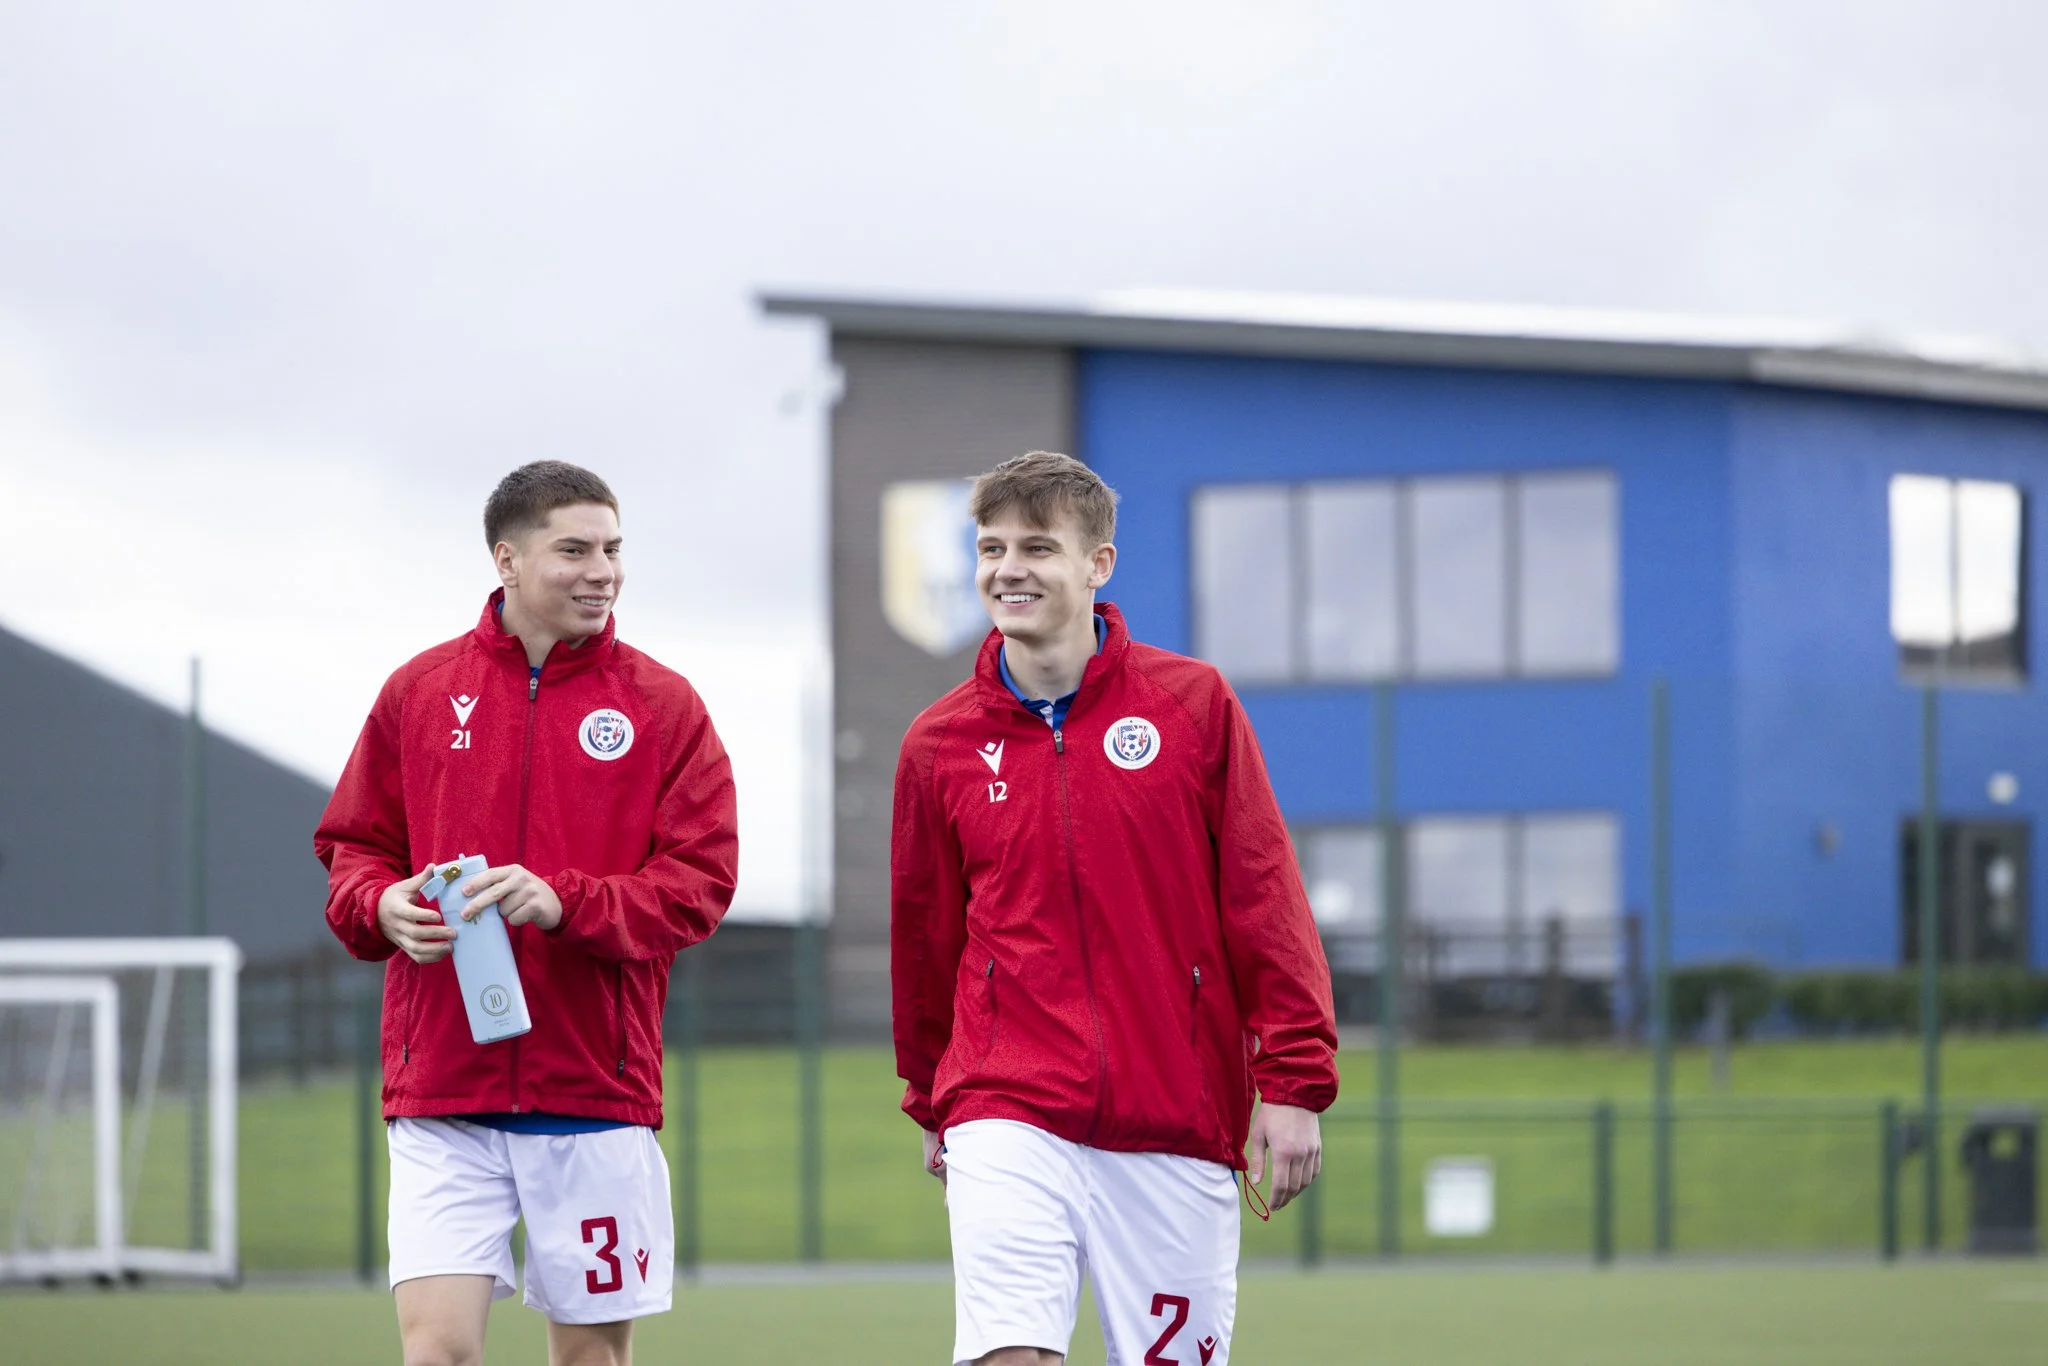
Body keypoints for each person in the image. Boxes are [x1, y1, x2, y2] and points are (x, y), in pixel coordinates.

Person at [891, 450, 1339, 1366]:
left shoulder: (1194, 706)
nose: (1008, 569)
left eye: (1037, 547)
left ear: (1097, 565)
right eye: (991, 548)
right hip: (1004, 1100)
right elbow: (925, 939)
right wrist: (932, 1097)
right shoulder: (937, 745)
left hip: (1173, 1111)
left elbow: (1265, 899)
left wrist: (1293, 1083)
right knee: (1008, 1351)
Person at [315, 460, 739, 1366]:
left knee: (589, 1358)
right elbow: (352, 849)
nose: (603, 571)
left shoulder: (663, 706)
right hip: (443, 1090)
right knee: (439, 1352)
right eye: (575, 550)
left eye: (613, 550)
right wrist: (380, 904)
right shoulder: (419, 692)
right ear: (506, 559)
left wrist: (566, 901)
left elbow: (702, 882)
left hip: (592, 1089)